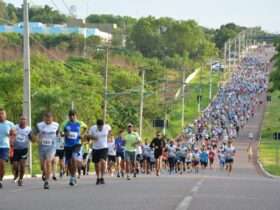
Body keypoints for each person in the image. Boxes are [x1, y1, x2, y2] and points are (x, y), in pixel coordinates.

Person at [61, 110, 87, 186]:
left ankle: (74, 176)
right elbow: (60, 133)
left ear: (76, 116)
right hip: (67, 144)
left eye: (73, 115)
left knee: (74, 159)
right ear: (68, 116)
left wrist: (82, 135)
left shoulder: (79, 123)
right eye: (70, 115)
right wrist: (64, 134)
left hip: (76, 144)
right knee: (69, 161)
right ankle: (71, 176)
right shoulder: (65, 123)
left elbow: (85, 127)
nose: (72, 117)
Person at [36, 112, 59, 190]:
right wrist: (37, 139)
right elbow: (34, 134)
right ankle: (44, 172)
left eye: (50, 118)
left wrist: (60, 136)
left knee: (48, 162)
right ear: (44, 118)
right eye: (47, 118)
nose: (48, 119)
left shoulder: (56, 125)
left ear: (52, 118)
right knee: (42, 166)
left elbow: (59, 134)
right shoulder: (39, 125)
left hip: (51, 147)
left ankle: (47, 182)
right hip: (42, 147)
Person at [89, 119, 111, 185]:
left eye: (101, 126)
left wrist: (109, 137)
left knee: (103, 161)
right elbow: (89, 136)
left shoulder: (107, 127)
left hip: (104, 147)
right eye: (99, 126)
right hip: (95, 148)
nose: (100, 128)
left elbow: (110, 131)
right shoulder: (93, 128)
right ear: (97, 125)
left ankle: (102, 177)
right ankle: (98, 177)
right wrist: (93, 137)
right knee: (96, 163)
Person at [13, 115, 32, 186]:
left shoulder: (28, 129)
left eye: (24, 119)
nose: (23, 121)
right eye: (21, 119)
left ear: (26, 121)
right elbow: (11, 135)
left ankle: (20, 179)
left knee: (22, 166)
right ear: (19, 120)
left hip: (24, 150)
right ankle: (16, 173)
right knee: (15, 166)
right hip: (15, 149)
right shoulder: (15, 127)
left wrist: (34, 139)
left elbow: (31, 138)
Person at [0, 108, 15, 188]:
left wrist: (12, 136)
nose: (1, 115)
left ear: (5, 115)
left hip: (4, 147)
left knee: (1, 163)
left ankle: (0, 179)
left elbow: (14, 134)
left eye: (2, 113)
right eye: (0, 113)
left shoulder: (10, 124)